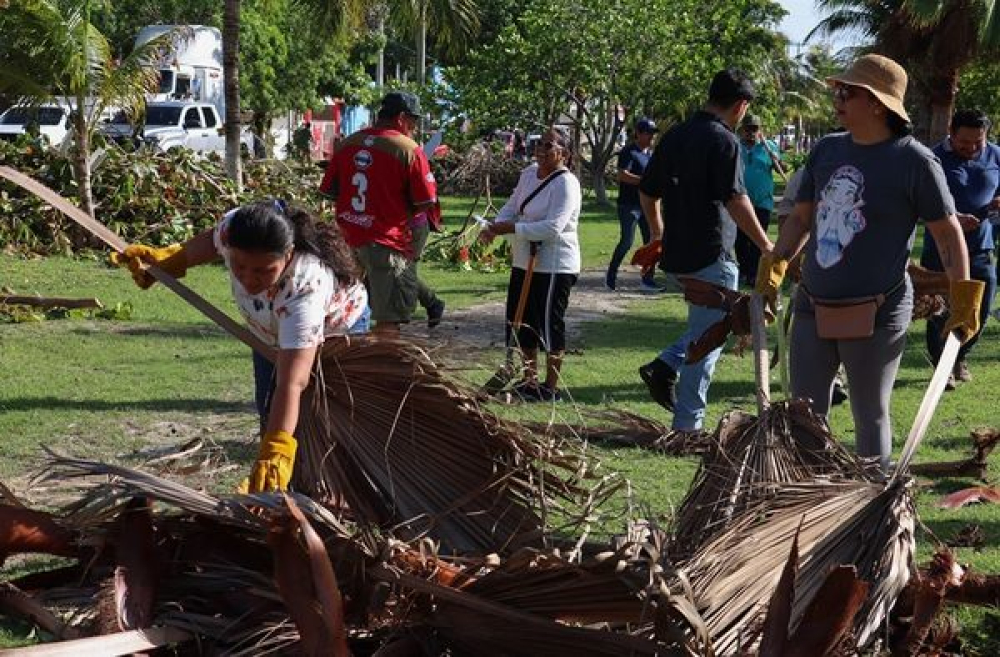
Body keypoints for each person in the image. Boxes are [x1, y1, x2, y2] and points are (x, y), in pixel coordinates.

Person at [758, 54, 984, 471]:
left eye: (849, 92)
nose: (838, 99)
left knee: (870, 414)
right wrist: (774, 266)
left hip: (877, 311)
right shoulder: (826, 149)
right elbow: (803, 217)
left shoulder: (914, 161)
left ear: (878, 103)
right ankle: (807, 506)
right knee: (804, 416)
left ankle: (868, 512)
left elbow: (948, 234)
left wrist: (964, 299)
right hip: (812, 303)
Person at [114, 200, 370, 492]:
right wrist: (171, 261)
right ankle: (283, 491)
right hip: (267, 335)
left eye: (263, 271)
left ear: (287, 256)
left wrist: (277, 453)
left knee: (326, 419)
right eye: (239, 266)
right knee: (268, 406)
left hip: (336, 328)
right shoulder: (235, 229)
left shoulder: (305, 288)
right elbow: (212, 242)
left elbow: (291, 383)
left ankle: (332, 494)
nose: (248, 278)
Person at [633, 68, 772, 431]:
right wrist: (766, 245)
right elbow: (736, 199)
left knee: (715, 326)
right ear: (741, 106)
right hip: (711, 254)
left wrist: (656, 234)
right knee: (707, 341)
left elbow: (647, 191)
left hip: (677, 255)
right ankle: (687, 426)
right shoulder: (724, 141)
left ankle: (664, 366)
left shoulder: (676, 135)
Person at [319, 91, 442, 333]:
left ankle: (354, 366)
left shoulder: (348, 144)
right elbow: (426, 200)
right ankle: (381, 370)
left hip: (347, 240)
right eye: (413, 122)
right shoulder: (408, 150)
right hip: (386, 242)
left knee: (347, 314)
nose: (414, 128)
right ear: (401, 118)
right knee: (388, 321)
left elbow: (329, 191)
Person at [480, 126, 581, 402]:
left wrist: (512, 228)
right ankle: (529, 381)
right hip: (525, 260)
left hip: (554, 264)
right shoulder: (527, 175)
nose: (541, 150)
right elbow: (511, 207)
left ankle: (550, 386)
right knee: (521, 321)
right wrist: (495, 225)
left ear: (564, 153)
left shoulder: (566, 183)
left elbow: (554, 227)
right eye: (539, 144)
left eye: (548, 146)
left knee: (549, 324)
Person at [922, 109, 1000, 389]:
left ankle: (960, 357)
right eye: (964, 142)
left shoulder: (996, 156)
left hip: (981, 247)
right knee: (939, 309)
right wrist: (952, 219)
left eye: (977, 142)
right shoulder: (931, 158)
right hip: (941, 250)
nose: (971, 148)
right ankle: (941, 365)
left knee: (979, 307)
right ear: (951, 134)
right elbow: (918, 201)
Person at [606, 117, 660, 292]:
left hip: (647, 206)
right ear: (638, 133)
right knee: (627, 241)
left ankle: (647, 279)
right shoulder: (629, 152)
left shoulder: (651, 155)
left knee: (651, 242)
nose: (651, 137)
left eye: (653, 133)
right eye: (647, 133)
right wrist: (645, 181)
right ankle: (611, 275)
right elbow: (623, 176)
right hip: (629, 205)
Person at [736, 114, 786, 286]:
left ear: (760, 130)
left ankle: (754, 273)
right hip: (740, 201)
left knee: (759, 238)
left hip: (763, 202)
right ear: (742, 130)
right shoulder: (735, 146)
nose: (751, 132)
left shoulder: (768, 146)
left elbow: (782, 169)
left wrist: (775, 158)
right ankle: (744, 270)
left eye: (754, 129)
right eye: (748, 129)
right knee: (741, 239)